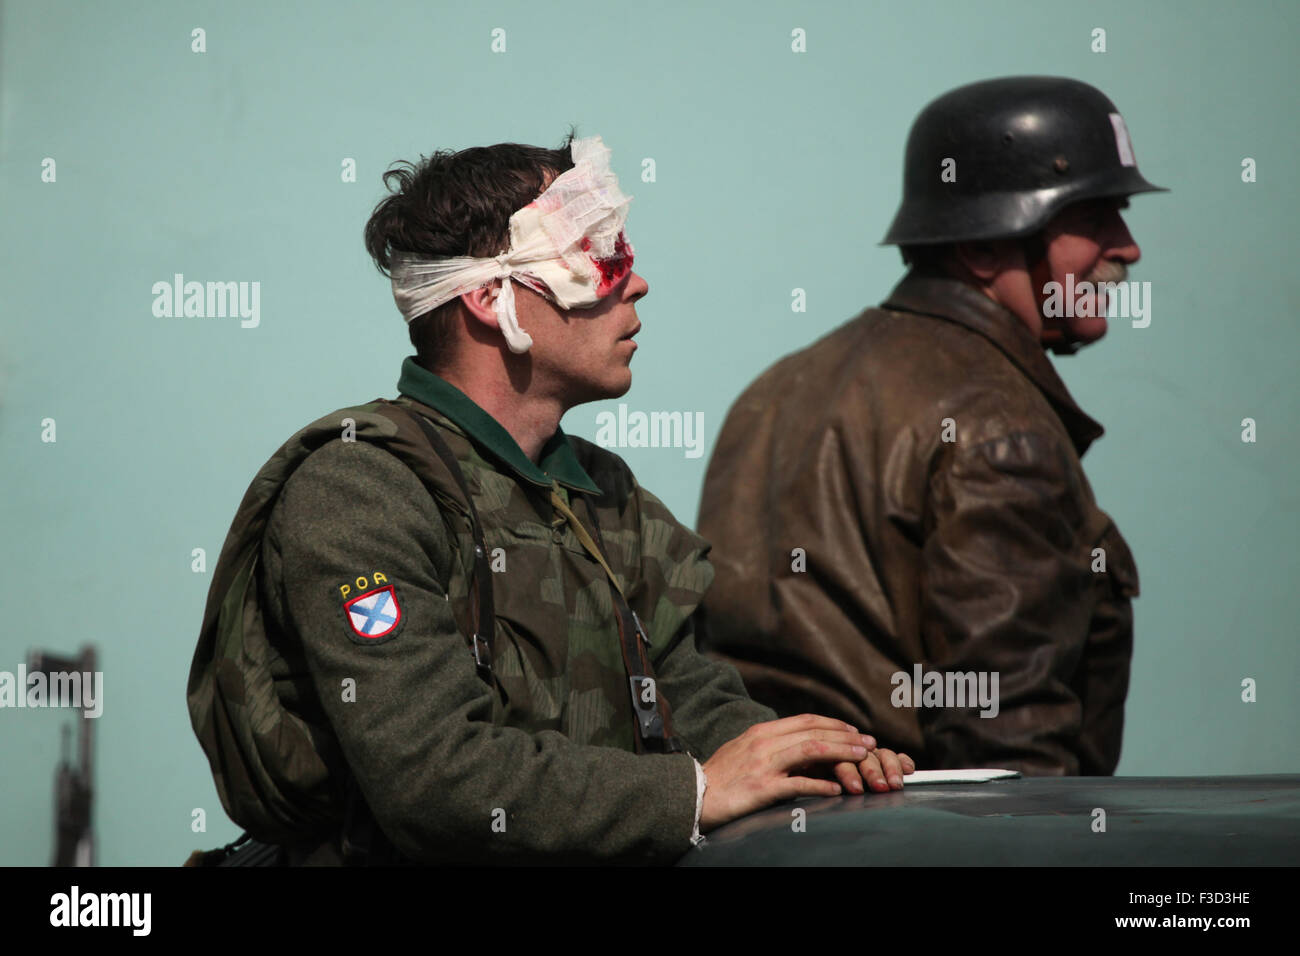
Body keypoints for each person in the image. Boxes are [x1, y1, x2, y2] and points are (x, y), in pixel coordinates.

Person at [187, 132, 912, 866]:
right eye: (598, 255)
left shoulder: (605, 496)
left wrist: (810, 763)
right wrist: (690, 795)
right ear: (486, 296)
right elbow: (434, 778)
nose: (635, 283)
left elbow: (691, 697)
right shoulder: (360, 490)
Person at [697, 77, 1164, 776]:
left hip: (759, 833)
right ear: (982, 247)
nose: (1127, 248)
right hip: (917, 836)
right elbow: (1008, 748)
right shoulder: (1001, 427)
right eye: (1094, 217)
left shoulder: (775, 389)